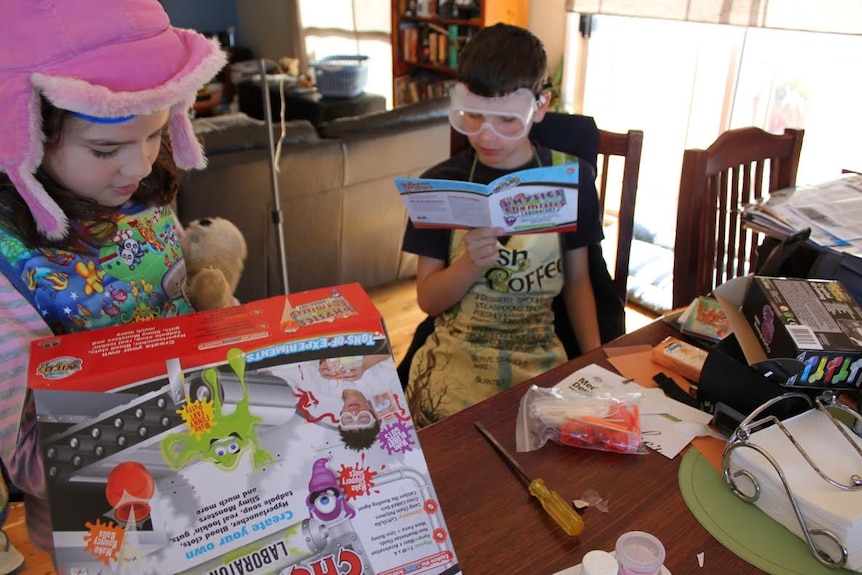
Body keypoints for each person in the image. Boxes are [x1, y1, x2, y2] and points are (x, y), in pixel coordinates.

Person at [0, 0, 227, 558]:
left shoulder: (139, 194)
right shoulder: (11, 270)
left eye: (155, 135)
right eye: (106, 149)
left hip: (206, 490)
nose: (141, 167)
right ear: (21, 131)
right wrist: (163, 418)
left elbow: (182, 309)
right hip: (102, 530)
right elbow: (29, 455)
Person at [403, 23, 603, 427]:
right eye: (473, 116)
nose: (487, 134)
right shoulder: (440, 186)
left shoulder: (570, 178)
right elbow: (428, 300)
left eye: (506, 120)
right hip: (453, 361)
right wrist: (469, 266)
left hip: (538, 356)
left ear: (540, 106)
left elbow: (580, 280)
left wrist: (595, 361)